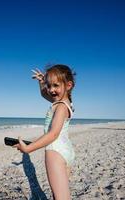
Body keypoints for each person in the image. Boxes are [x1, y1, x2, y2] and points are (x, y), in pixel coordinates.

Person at [14, 64, 76, 200]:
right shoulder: (66, 103)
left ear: (68, 85)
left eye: (55, 85)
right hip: (66, 150)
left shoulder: (60, 107)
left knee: (60, 197)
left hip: (55, 151)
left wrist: (28, 148)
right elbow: (44, 94)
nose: (51, 90)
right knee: (61, 194)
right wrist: (42, 82)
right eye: (49, 86)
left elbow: (53, 134)